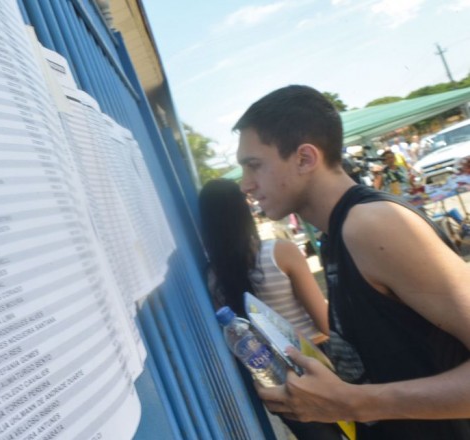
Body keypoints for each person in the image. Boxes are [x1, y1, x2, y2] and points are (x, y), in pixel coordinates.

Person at [233, 85, 470, 439]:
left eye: (254, 166)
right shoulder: (337, 234)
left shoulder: (372, 225)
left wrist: (353, 402)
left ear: (304, 158)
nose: (245, 185)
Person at [199, 179, 338, 439]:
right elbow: (325, 323)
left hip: (279, 385)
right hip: (316, 364)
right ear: (243, 210)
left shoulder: (212, 278)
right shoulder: (280, 252)